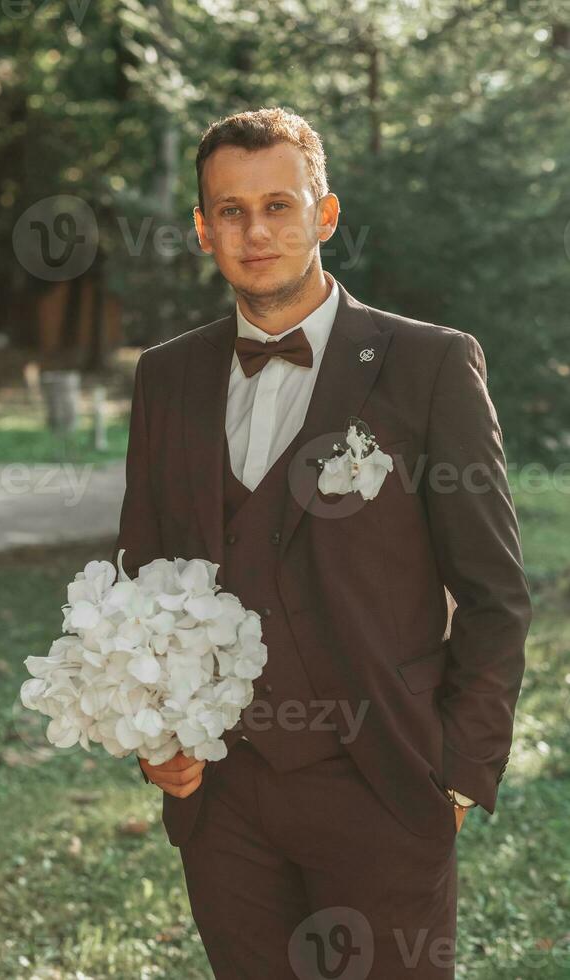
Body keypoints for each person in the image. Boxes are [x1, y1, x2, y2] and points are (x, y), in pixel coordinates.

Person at [112, 107, 532, 979]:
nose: (254, 230)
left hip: (383, 785)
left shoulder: (428, 367)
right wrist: (157, 735)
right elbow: (142, 574)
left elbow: (495, 596)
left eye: (279, 205)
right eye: (230, 210)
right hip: (222, 800)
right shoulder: (166, 376)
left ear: (325, 215)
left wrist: (458, 775)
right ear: (202, 228)